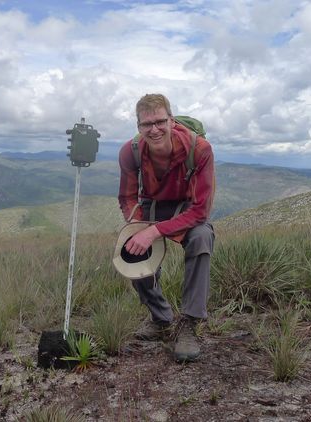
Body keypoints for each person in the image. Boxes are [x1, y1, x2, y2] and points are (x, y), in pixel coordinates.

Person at [118, 93, 215, 363]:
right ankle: (161, 319)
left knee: (201, 238)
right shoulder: (131, 151)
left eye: (160, 121)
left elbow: (200, 210)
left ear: (171, 121)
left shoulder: (200, 149)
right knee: (131, 248)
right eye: (146, 124)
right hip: (151, 207)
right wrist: (136, 225)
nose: (154, 129)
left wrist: (155, 232)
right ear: (138, 127)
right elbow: (127, 197)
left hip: (187, 208)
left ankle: (190, 324)